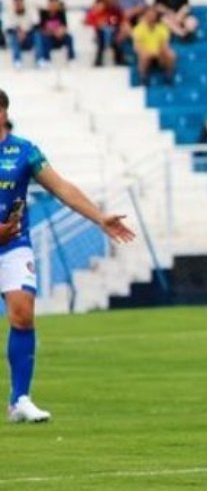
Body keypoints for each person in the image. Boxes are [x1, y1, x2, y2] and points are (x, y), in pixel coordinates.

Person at [0, 89, 137, 422]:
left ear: (3, 112)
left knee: (23, 313)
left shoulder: (25, 152)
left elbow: (61, 188)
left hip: (12, 245)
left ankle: (20, 400)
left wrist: (99, 217)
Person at [131, 8, 175, 85]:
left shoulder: (162, 28)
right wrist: (146, 52)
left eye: (153, 15)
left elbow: (165, 44)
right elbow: (136, 46)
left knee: (171, 54)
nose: (151, 17)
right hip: (146, 53)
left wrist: (160, 51)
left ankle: (168, 75)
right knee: (143, 55)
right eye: (149, 15)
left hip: (159, 53)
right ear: (145, 16)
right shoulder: (138, 29)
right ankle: (143, 77)